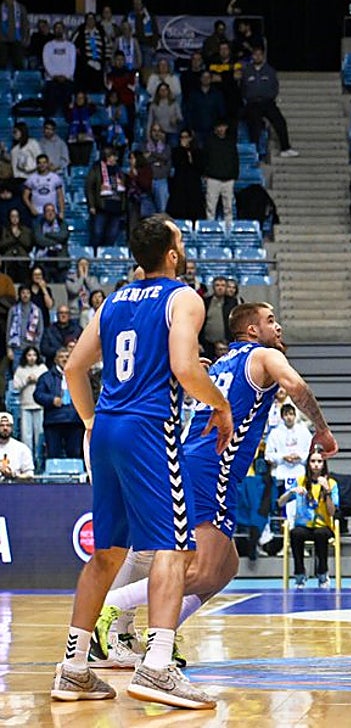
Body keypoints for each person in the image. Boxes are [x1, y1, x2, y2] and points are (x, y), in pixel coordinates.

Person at [50, 215, 234, 709]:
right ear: (172, 253)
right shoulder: (183, 298)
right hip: (148, 429)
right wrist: (220, 404)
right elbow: (183, 367)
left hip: (107, 426)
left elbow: (73, 369)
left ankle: (72, 668)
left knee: (106, 553)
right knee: (173, 548)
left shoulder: (113, 300)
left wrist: (92, 421)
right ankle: (156, 666)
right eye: (181, 240)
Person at [92, 303, 336, 666]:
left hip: (192, 460)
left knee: (224, 567)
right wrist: (321, 428)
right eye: (271, 321)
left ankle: (161, 631)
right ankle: (110, 608)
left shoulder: (222, 364)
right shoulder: (265, 356)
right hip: (213, 468)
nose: (279, 326)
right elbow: (296, 386)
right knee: (203, 569)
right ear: (252, 331)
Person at [279, 448, 340, 588]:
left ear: (324, 464)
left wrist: (327, 492)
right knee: (295, 533)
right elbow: (280, 503)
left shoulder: (331, 483)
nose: (316, 464)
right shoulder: (300, 481)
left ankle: (322, 573)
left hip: (323, 525)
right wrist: (290, 492)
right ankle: (300, 574)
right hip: (304, 525)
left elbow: (332, 512)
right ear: (308, 464)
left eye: (319, 461)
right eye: (313, 461)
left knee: (321, 534)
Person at [242, 47, 298, 158]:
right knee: (254, 126)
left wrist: (270, 96)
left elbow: (275, 87)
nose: (257, 57)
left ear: (263, 56)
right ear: (252, 56)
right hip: (253, 103)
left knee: (280, 122)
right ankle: (254, 154)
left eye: (260, 54)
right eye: (255, 54)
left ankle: (285, 148)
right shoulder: (247, 71)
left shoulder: (270, 70)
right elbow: (243, 88)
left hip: (267, 102)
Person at [12, 346, 47, 470]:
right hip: (25, 406)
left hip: (39, 406)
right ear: (25, 357)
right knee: (26, 437)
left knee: (39, 436)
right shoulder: (20, 370)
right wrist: (27, 380)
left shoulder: (42, 368)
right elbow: (16, 386)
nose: (32, 358)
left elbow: (47, 383)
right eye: (29, 355)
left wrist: (37, 380)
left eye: (34, 355)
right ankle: (28, 465)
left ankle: (40, 464)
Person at [0, 411, 34, 481]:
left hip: (16, 488)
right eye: (2, 425)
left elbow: (30, 475)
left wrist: (14, 475)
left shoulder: (22, 448)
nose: (5, 428)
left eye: (8, 425)